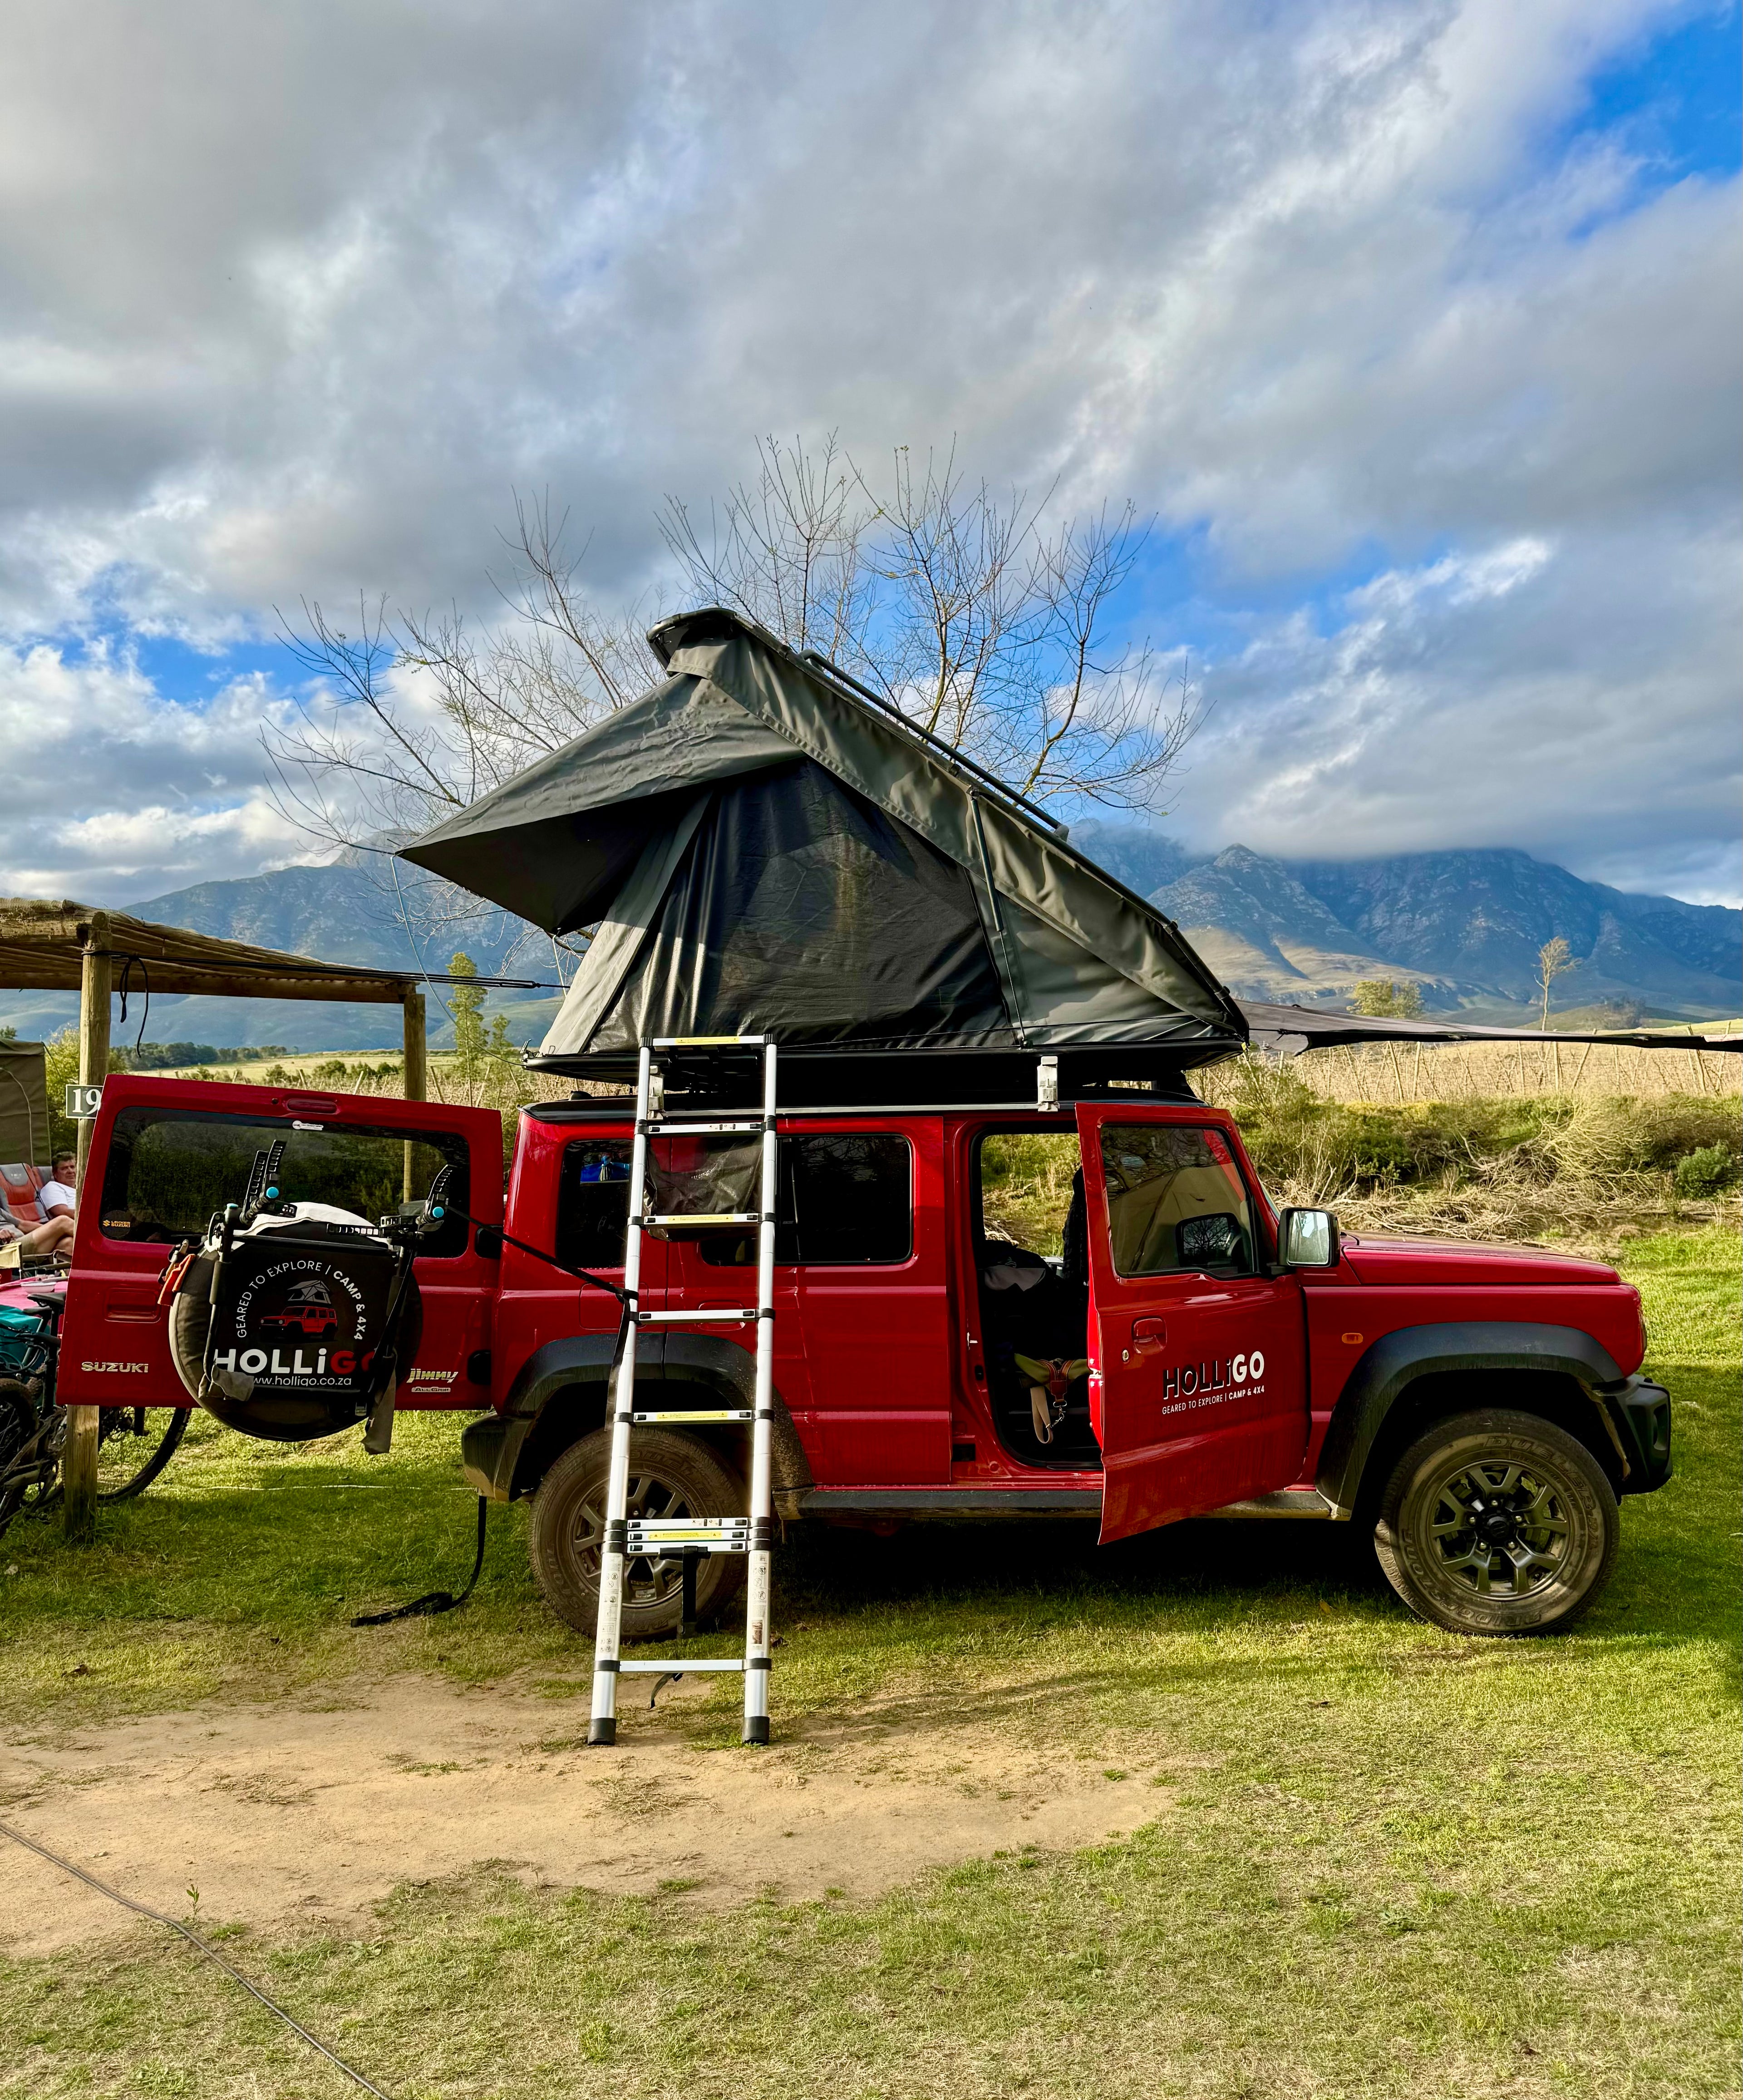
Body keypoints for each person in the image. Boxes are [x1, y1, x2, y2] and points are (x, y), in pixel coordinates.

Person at [39, 1153, 77, 1220]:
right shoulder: (53, 1187)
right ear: (55, 1173)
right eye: (64, 1169)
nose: (71, 1171)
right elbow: (63, 1213)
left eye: (72, 1167)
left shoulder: (82, 1187)